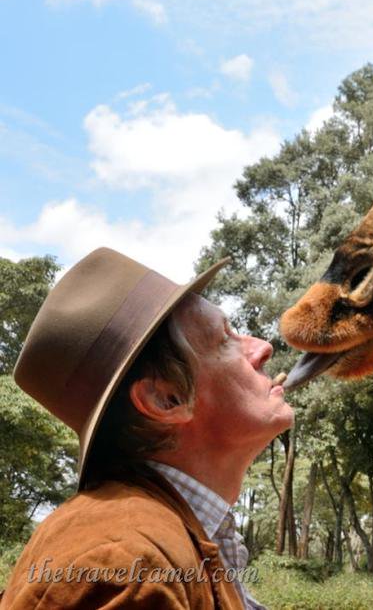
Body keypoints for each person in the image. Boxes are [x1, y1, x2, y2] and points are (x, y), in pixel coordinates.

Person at [0, 248, 293, 609]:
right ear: (166, 400)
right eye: (226, 339)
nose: (263, 348)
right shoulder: (128, 565)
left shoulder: (172, 534)